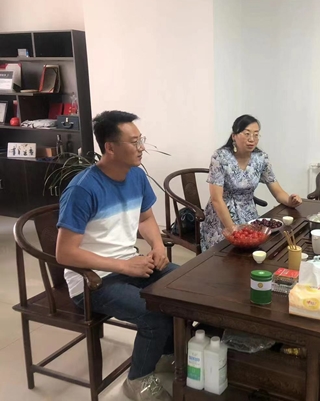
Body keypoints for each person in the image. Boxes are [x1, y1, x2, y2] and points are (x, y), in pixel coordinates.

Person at [56, 110, 177, 401]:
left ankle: (164, 355)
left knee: (183, 287)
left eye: (141, 140)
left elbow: (146, 218)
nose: (142, 147)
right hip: (92, 281)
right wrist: (124, 266)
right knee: (154, 314)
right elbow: (64, 253)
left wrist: (157, 247)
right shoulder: (83, 189)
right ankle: (137, 381)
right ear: (110, 147)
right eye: (134, 142)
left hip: (130, 265)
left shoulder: (136, 175)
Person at [200, 114, 302, 251]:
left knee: (257, 248)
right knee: (228, 252)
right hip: (221, 217)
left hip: (249, 215)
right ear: (234, 136)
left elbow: (277, 191)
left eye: (256, 134)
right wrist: (233, 229)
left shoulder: (261, 158)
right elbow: (216, 199)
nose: (252, 139)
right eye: (247, 134)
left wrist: (290, 201)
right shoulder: (220, 157)